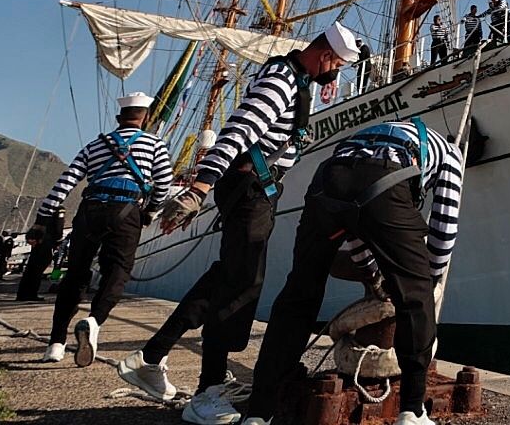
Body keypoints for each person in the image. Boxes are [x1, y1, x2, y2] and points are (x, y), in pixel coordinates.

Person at [119, 23, 360, 425]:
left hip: (258, 189)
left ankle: (150, 356)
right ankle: (206, 392)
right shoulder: (283, 80)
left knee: (223, 278)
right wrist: (199, 186)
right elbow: (240, 130)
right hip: (248, 187)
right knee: (241, 285)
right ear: (326, 57)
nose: (335, 74)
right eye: (336, 65)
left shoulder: (296, 81)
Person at [241, 117, 464, 425]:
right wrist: (429, 279)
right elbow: (443, 230)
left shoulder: (373, 133)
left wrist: (373, 275)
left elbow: (354, 225)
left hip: (328, 181)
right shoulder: (451, 155)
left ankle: (258, 412)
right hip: (387, 176)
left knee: (299, 293)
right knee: (416, 297)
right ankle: (412, 411)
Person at [38, 91, 173, 365]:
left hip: (90, 209)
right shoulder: (154, 144)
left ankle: (55, 343)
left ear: (118, 118)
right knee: (118, 273)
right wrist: (150, 210)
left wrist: (42, 217)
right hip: (126, 211)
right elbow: (164, 183)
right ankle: (94, 321)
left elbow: (67, 180)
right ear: (145, 118)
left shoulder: (95, 145)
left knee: (75, 274)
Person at [15, 212, 62, 301]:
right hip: (49, 245)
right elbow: (58, 230)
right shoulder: (56, 211)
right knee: (44, 269)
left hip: (41, 243)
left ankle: (23, 293)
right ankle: (52, 283)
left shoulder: (44, 211)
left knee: (33, 269)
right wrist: (57, 241)